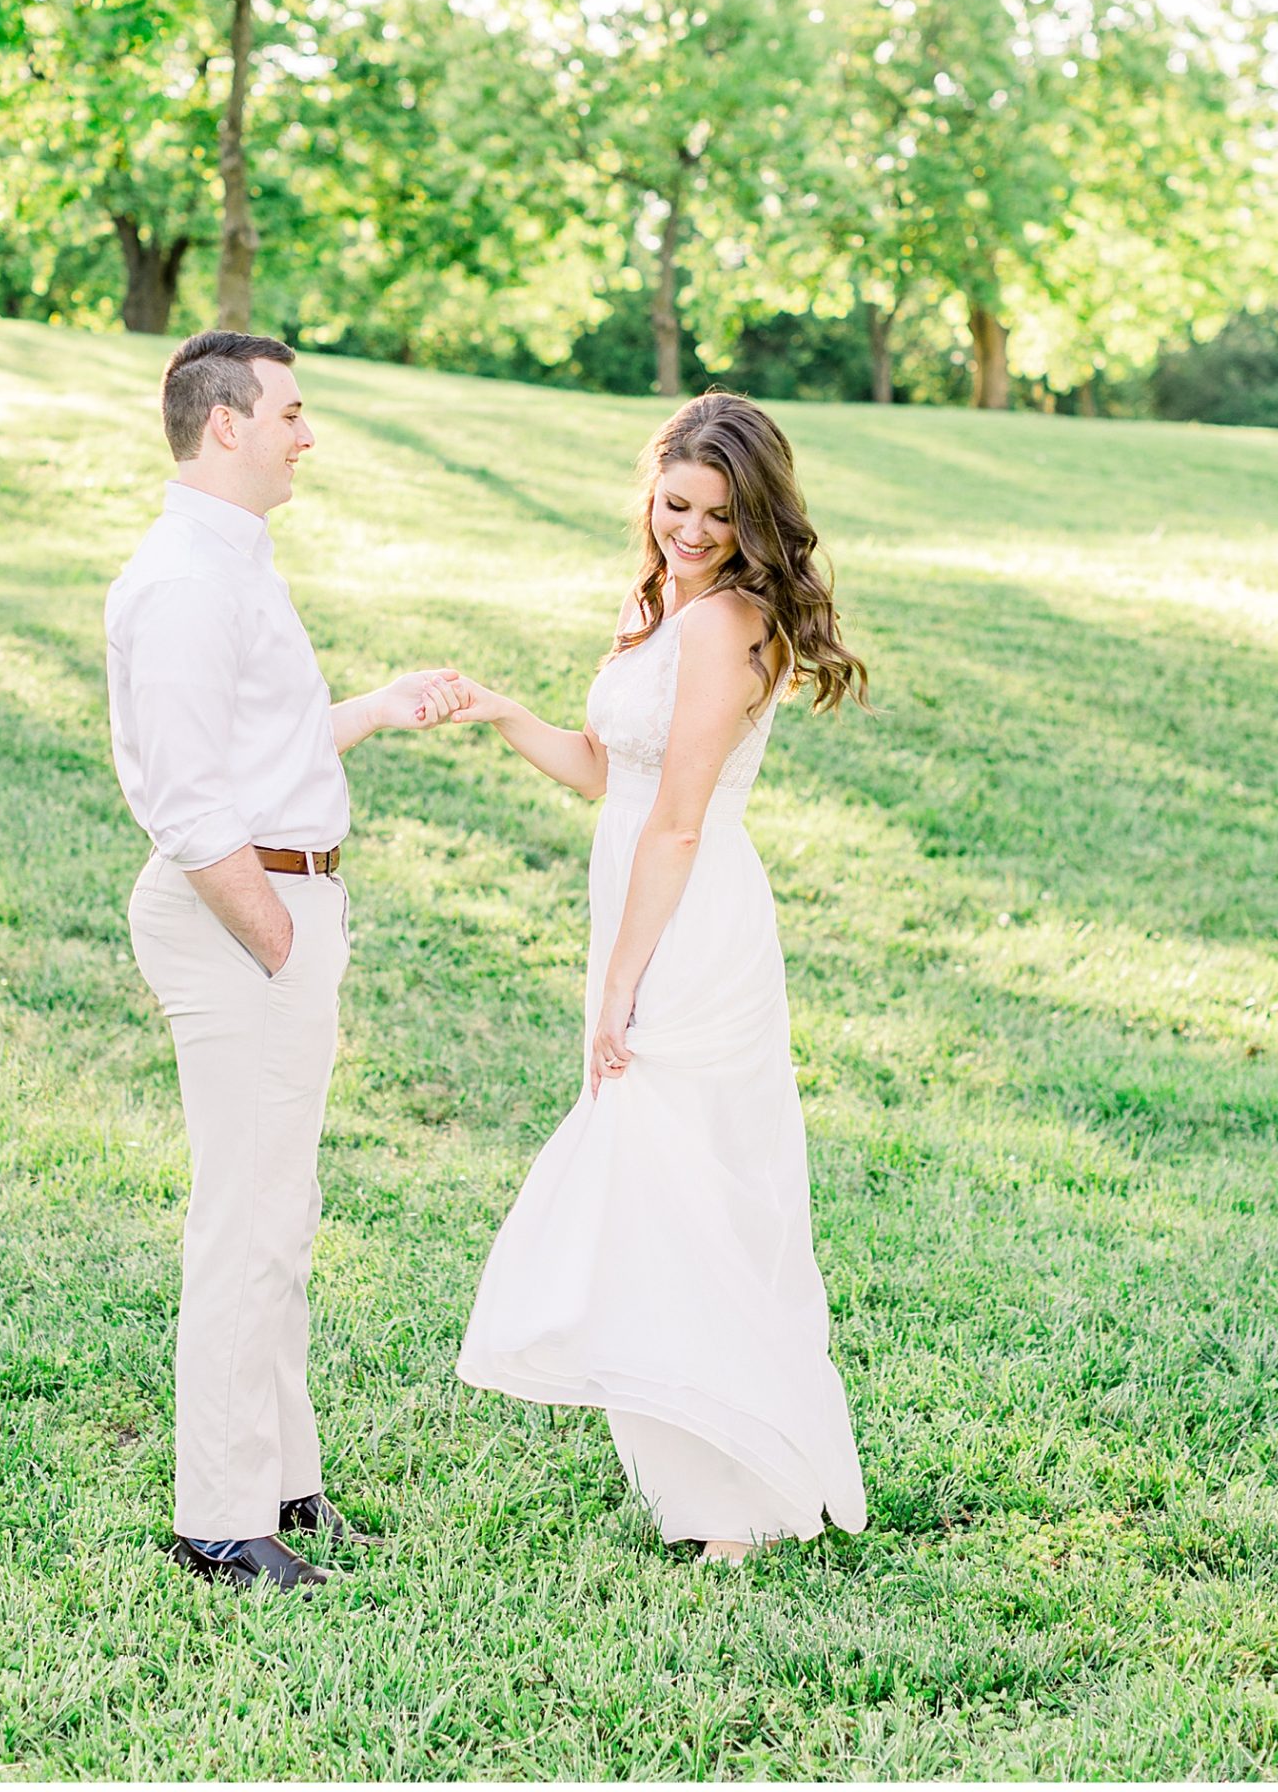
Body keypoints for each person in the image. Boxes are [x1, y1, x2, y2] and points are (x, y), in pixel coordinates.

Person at [454, 391, 869, 1562]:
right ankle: (703, 1478)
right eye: (675, 502)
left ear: (757, 522)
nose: (691, 529)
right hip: (641, 905)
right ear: (651, 491)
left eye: (721, 516)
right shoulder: (667, 607)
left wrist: (623, 981)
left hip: (686, 922)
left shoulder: (727, 624)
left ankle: (732, 1498)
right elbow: (603, 772)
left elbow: (677, 820)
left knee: (683, 1186)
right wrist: (498, 710)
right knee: (659, 1184)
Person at [106, 329, 469, 1593]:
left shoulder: (235, 566)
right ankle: (217, 1516)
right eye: (293, 413)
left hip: (278, 911)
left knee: (283, 1216)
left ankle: (281, 1484)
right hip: (242, 920)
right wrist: (276, 936)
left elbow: (258, 744)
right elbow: (195, 808)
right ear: (225, 425)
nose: (308, 435)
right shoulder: (184, 581)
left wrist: (373, 708)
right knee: (245, 1220)